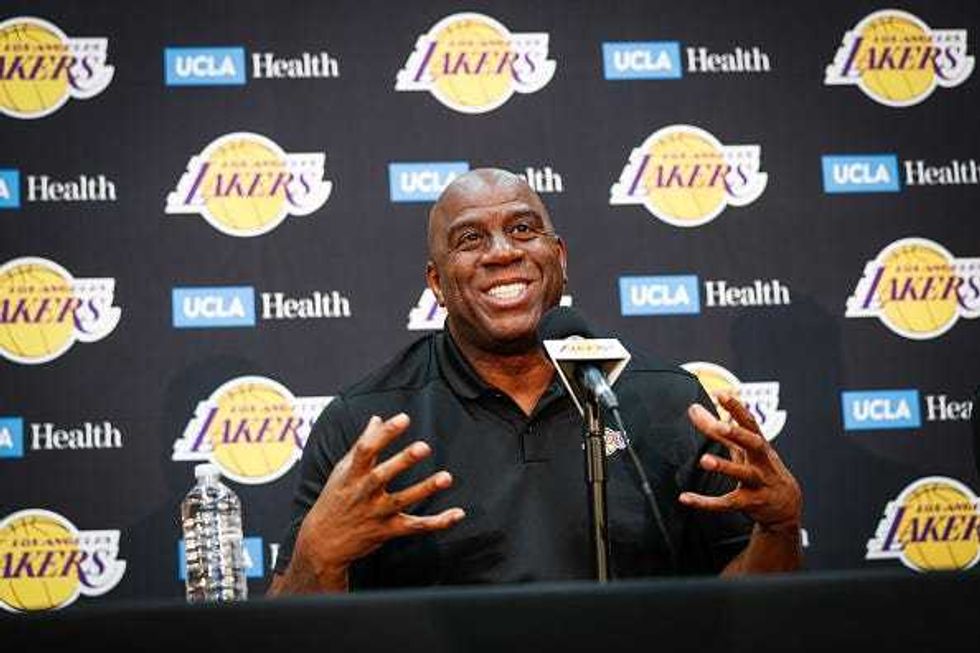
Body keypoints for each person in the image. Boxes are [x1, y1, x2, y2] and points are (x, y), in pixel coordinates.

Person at [267, 169, 802, 595]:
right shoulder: (368, 425)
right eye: (470, 238)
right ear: (436, 282)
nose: (502, 252)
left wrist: (778, 530)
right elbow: (285, 634)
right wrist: (317, 555)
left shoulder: (667, 401)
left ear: (560, 259)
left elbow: (748, 615)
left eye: (523, 229)